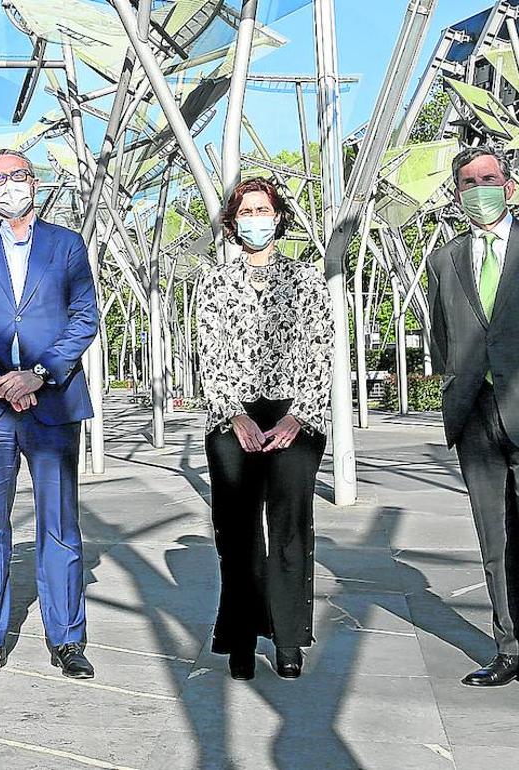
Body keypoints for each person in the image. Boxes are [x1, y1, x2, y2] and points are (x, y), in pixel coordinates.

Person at [0, 149, 99, 681]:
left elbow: (84, 317)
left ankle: (67, 639)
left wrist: (39, 373)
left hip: (51, 402)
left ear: (35, 182)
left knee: (60, 525)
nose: (9, 186)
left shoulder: (66, 245)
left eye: (17, 176)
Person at [196, 177, 332, 681]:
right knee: (237, 529)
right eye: (246, 211)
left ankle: (289, 637)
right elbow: (208, 352)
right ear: (233, 223)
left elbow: (321, 349)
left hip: (295, 412)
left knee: (290, 525)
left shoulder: (307, 279)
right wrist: (235, 413)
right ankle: (241, 635)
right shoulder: (214, 282)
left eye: (263, 209)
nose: (256, 218)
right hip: (233, 414)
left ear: (278, 217)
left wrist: (300, 414)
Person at [427, 145, 519, 687]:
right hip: (475, 415)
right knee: (494, 541)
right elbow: (441, 337)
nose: (479, 189)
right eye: (468, 182)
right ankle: (509, 647)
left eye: (488, 178)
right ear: (457, 193)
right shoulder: (444, 259)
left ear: (508, 186)